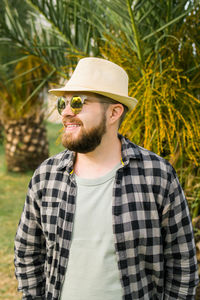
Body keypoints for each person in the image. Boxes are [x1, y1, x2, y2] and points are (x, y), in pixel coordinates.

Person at [14, 57, 199, 300]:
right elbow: (27, 252)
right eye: (64, 103)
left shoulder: (158, 175)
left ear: (113, 112)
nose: (66, 113)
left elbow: (182, 262)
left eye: (78, 103)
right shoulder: (46, 176)